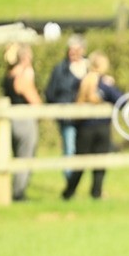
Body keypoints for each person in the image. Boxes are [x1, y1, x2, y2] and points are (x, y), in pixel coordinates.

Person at [62, 52, 122, 200]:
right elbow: (121, 100)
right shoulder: (103, 83)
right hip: (101, 128)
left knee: (80, 163)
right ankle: (96, 192)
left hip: (83, 128)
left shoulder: (81, 81)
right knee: (100, 163)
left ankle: (69, 192)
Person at [3, 43, 42, 201]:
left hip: (11, 121)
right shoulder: (22, 78)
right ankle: (19, 193)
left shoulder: (8, 75)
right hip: (24, 121)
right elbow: (35, 101)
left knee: (18, 155)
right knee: (25, 156)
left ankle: (16, 190)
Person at [46, 35, 88, 172]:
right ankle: (70, 184)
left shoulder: (89, 68)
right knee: (69, 148)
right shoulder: (60, 69)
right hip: (67, 117)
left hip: (87, 118)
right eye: (71, 50)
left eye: (76, 50)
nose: (73, 53)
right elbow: (50, 93)